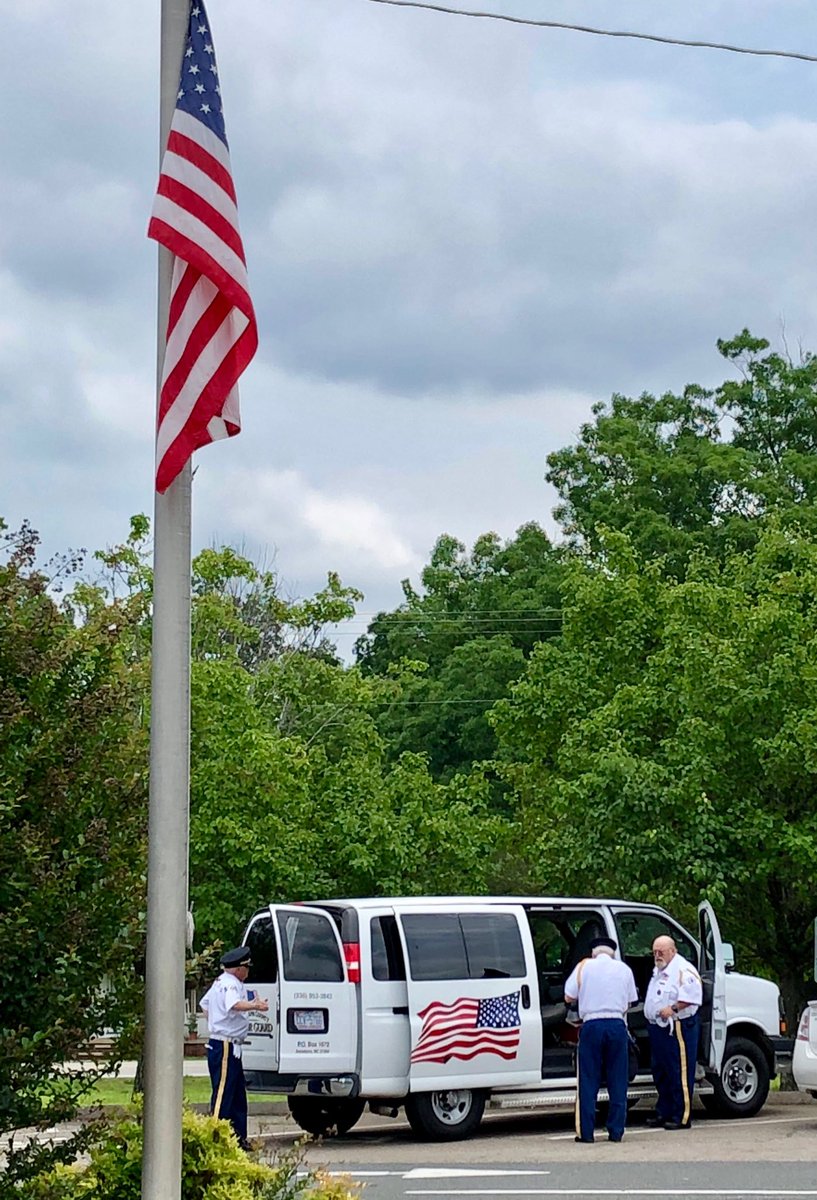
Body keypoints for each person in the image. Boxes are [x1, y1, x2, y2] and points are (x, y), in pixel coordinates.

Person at [564, 935, 638, 1144]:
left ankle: (586, 1133)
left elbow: (568, 996)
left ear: (593, 952)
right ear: (612, 953)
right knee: (618, 1080)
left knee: (588, 1079)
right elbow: (632, 1000)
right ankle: (616, 1131)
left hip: (592, 1025)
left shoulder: (584, 966)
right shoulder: (624, 969)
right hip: (616, 1025)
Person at [200, 945, 269, 1149]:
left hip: (231, 1045)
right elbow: (234, 1005)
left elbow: (205, 1005)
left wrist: (217, 1020)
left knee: (238, 1093)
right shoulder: (230, 984)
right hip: (224, 1045)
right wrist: (256, 1006)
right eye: (246, 968)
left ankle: (238, 1137)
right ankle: (215, 1137)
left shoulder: (219, 982)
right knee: (223, 1093)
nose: (248, 972)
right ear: (239, 968)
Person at [643, 935, 703, 1130]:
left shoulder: (683, 970)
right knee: (661, 1071)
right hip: (659, 1027)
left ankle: (682, 1116)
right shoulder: (659, 970)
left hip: (678, 1026)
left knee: (680, 1071)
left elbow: (693, 997)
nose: (657, 955)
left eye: (661, 952)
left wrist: (674, 1008)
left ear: (673, 950)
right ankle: (664, 1112)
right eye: (654, 952)